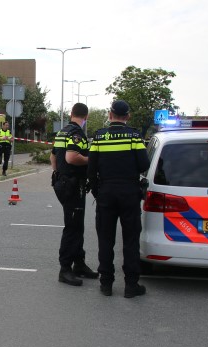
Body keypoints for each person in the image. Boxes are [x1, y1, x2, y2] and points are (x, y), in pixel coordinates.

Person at [87, 100, 150, 298]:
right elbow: (143, 164)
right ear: (128, 116)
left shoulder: (99, 136)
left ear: (109, 114)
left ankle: (106, 283)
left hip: (106, 192)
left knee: (105, 239)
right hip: (129, 192)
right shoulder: (134, 136)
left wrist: (98, 191)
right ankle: (131, 285)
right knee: (130, 240)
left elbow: (91, 169)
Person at [51, 103, 99, 286]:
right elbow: (72, 157)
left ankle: (79, 263)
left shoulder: (62, 132)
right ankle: (65, 269)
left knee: (76, 225)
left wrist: (58, 175)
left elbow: (53, 157)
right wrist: (91, 160)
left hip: (64, 183)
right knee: (72, 227)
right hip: (72, 185)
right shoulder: (77, 134)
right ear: (85, 117)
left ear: (71, 114)